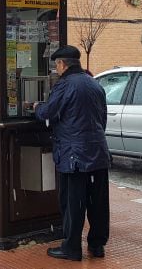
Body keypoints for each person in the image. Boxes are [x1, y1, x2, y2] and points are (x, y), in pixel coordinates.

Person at [33, 45, 110, 261]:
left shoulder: (65, 85)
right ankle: (97, 245)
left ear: (61, 64)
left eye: (56, 65)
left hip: (73, 155)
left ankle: (71, 247)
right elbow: (102, 119)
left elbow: (49, 112)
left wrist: (37, 106)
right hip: (98, 152)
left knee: (73, 202)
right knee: (98, 202)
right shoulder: (94, 84)